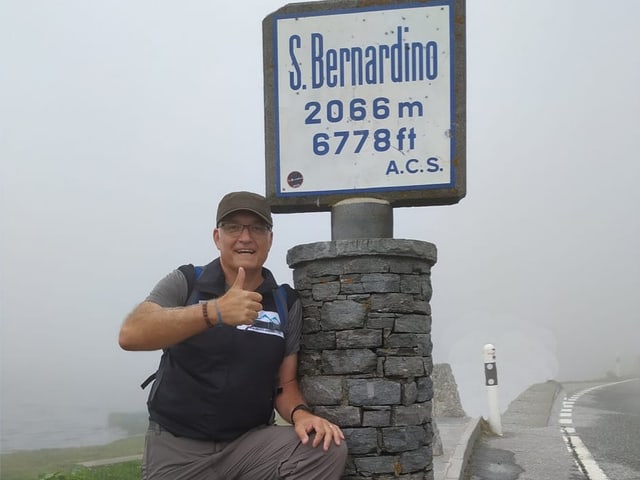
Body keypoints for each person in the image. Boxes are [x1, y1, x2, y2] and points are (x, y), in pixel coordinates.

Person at [119, 191, 348, 480]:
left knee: (325, 449)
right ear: (217, 237)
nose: (245, 237)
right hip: (178, 447)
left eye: (257, 228)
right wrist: (213, 312)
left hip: (249, 446)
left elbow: (285, 384)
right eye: (233, 227)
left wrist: (302, 414)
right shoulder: (187, 281)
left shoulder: (284, 302)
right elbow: (132, 334)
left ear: (270, 239)